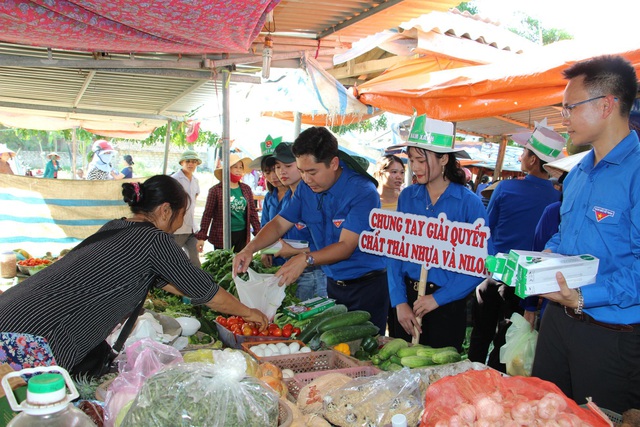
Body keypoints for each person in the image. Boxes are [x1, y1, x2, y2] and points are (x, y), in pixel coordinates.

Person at [0, 175, 268, 371]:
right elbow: (207, 293)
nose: (181, 223)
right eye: (182, 214)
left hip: (12, 311)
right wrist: (248, 313)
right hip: (33, 336)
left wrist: (203, 295)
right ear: (165, 211)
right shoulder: (154, 240)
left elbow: (176, 283)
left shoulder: (116, 227)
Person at [531, 55, 640, 413]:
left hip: (610, 335)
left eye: (570, 108)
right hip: (557, 323)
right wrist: (541, 260)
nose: (564, 120)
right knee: (542, 413)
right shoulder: (578, 172)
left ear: (607, 105)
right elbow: (565, 236)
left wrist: (583, 297)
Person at [232, 127, 390, 332]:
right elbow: (280, 223)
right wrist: (249, 249)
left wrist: (305, 258)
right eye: (302, 171)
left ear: (333, 163)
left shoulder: (362, 191)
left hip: (367, 286)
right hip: (334, 284)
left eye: (312, 172)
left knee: (366, 352)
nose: (306, 179)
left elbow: (346, 246)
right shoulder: (306, 189)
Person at [386, 115, 491, 351]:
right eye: (412, 160)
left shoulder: (469, 204)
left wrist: (437, 299)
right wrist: (399, 301)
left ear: (443, 158)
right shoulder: (407, 197)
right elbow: (394, 252)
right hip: (406, 301)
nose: (416, 167)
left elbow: (482, 264)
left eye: (422, 160)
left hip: (446, 305)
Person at [468, 118, 564, 369]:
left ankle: (471, 377)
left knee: (480, 335)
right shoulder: (557, 199)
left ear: (533, 160)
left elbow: (486, 230)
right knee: (507, 342)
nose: (520, 156)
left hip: (497, 273)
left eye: (524, 152)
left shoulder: (506, 188)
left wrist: (489, 261)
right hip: (529, 285)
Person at [270, 142, 328, 301]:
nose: (281, 171)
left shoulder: (316, 197)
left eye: (288, 166)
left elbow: (332, 245)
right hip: (294, 272)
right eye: (277, 166)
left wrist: (294, 252)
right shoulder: (288, 198)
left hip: (315, 273)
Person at [196, 153, 261, 253]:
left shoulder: (246, 189)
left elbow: (252, 213)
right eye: (235, 167)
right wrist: (202, 236)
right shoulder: (216, 190)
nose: (238, 170)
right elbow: (207, 214)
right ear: (227, 170)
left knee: (240, 265)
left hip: (242, 234)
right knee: (224, 265)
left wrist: (259, 234)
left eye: (240, 167)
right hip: (221, 235)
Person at [248, 136, 288, 268]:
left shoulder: (297, 196)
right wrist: (265, 250)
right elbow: (265, 225)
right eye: (267, 172)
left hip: (297, 258)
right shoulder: (270, 197)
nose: (273, 176)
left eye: (276, 169)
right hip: (275, 259)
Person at [171, 150, 202, 267]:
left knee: (194, 260)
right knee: (172, 259)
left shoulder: (195, 180)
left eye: (194, 162)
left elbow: (194, 199)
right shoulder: (174, 180)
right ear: (182, 163)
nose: (191, 164)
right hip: (177, 228)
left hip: (192, 228)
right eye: (188, 161)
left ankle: (198, 283)